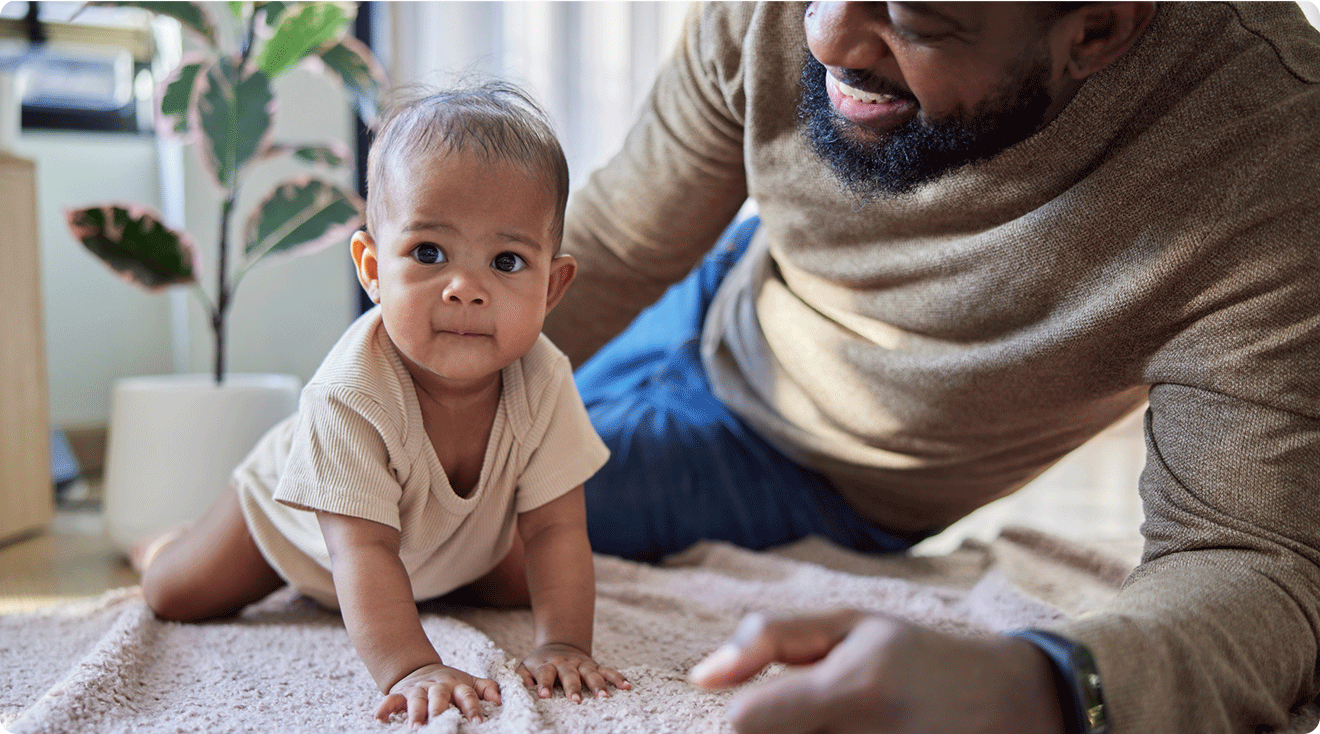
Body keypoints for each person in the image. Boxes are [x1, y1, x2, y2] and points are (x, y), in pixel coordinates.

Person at [543, 2, 1320, 733]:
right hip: (716, 288)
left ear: (1095, 32)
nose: (826, 41)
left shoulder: (1274, 162)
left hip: (809, 465)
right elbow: (617, 246)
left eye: (910, 20)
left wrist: (1039, 686)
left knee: (464, 531)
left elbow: (1257, 562)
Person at [137, 82, 630, 727]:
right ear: (371, 268)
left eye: (507, 261)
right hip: (303, 535)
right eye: (429, 253)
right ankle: (159, 545)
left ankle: (439, 580)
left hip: (443, 544)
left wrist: (564, 644)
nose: (465, 288)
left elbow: (557, 528)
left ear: (553, 286)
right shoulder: (351, 394)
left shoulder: (544, 379)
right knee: (175, 595)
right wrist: (412, 666)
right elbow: (362, 552)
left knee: (530, 579)